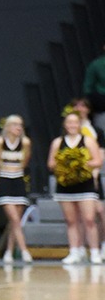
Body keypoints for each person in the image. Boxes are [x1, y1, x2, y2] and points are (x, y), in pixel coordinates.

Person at [49, 110, 102, 266]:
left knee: (89, 220)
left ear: (80, 125)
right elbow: (51, 164)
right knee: (71, 221)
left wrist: (80, 165)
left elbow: (98, 161)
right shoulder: (58, 142)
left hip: (85, 185)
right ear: (65, 125)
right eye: (69, 122)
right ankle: (75, 251)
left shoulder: (88, 141)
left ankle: (94, 252)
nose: (72, 125)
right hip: (65, 185)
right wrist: (65, 166)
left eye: (75, 122)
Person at [0, 114, 32, 263]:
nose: (19, 127)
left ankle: (9, 251)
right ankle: (24, 250)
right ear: (7, 127)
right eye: (15, 124)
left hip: (19, 181)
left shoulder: (26, 142)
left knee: (15, 221)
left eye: (20, 125)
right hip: (4, 181)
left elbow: (24, 163)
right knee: (14, 219)